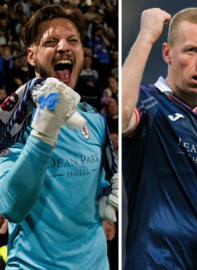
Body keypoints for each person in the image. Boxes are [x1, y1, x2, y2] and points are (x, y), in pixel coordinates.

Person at [0, 5, 117, 269]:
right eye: (51, 41)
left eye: (72, 40)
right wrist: (46, 125)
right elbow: (12, 207)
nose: (64, 47)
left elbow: (96, 186)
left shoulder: (95, 120)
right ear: (31, 55)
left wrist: (107, 211)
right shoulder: (12, 122)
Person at [122, 7, 197, 270]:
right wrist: (144, 38)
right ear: (167, 53)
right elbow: (119, 116)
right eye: (192, 50)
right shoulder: (146, 103)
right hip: (151, 263)